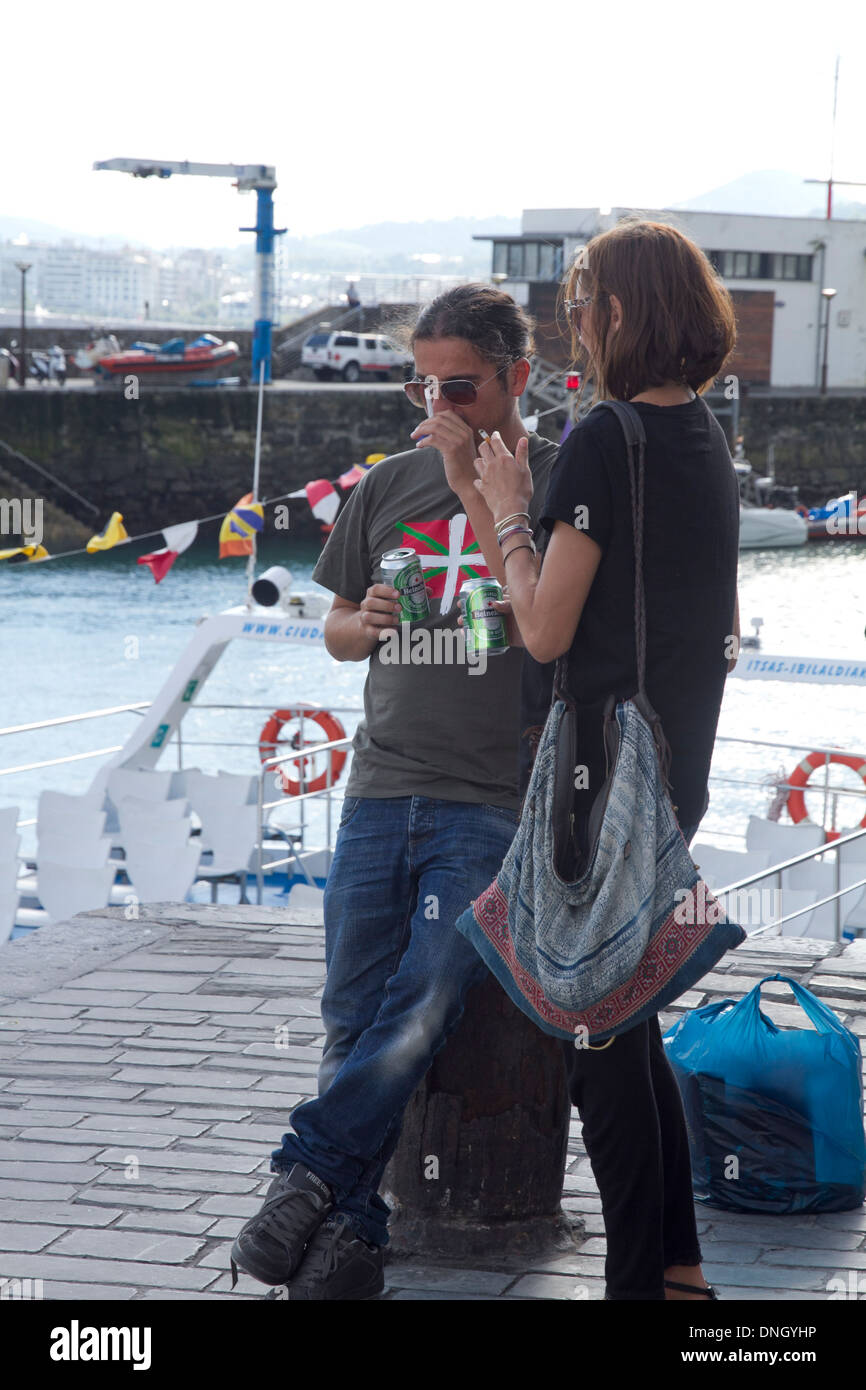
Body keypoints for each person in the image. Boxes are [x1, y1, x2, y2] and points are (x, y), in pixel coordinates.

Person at [230, 284, 558, 1300]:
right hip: (378, 784)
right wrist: (363, 621)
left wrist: (478, 488)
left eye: (458, 383)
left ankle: (308, 1171)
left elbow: (553, 632)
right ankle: (349, 1238)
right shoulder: (386, 485)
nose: (439, 402)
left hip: (486, 794)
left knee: (420, 997)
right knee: (349, 1010)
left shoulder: (546, 488)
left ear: (518, 376)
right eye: (425, 383)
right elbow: (330, 632)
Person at [450, 218, 740, 1301]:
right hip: (670, 766)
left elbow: (539, 630)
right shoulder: (699, 437)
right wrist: (503, 503)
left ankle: (635, 1282)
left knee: (590, 1026)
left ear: (619, 313)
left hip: (595, 772)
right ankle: (676, 1268)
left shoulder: (599, 439)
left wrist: (504, 508)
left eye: (580, 304)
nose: (573, 322)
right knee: (630, 1008)